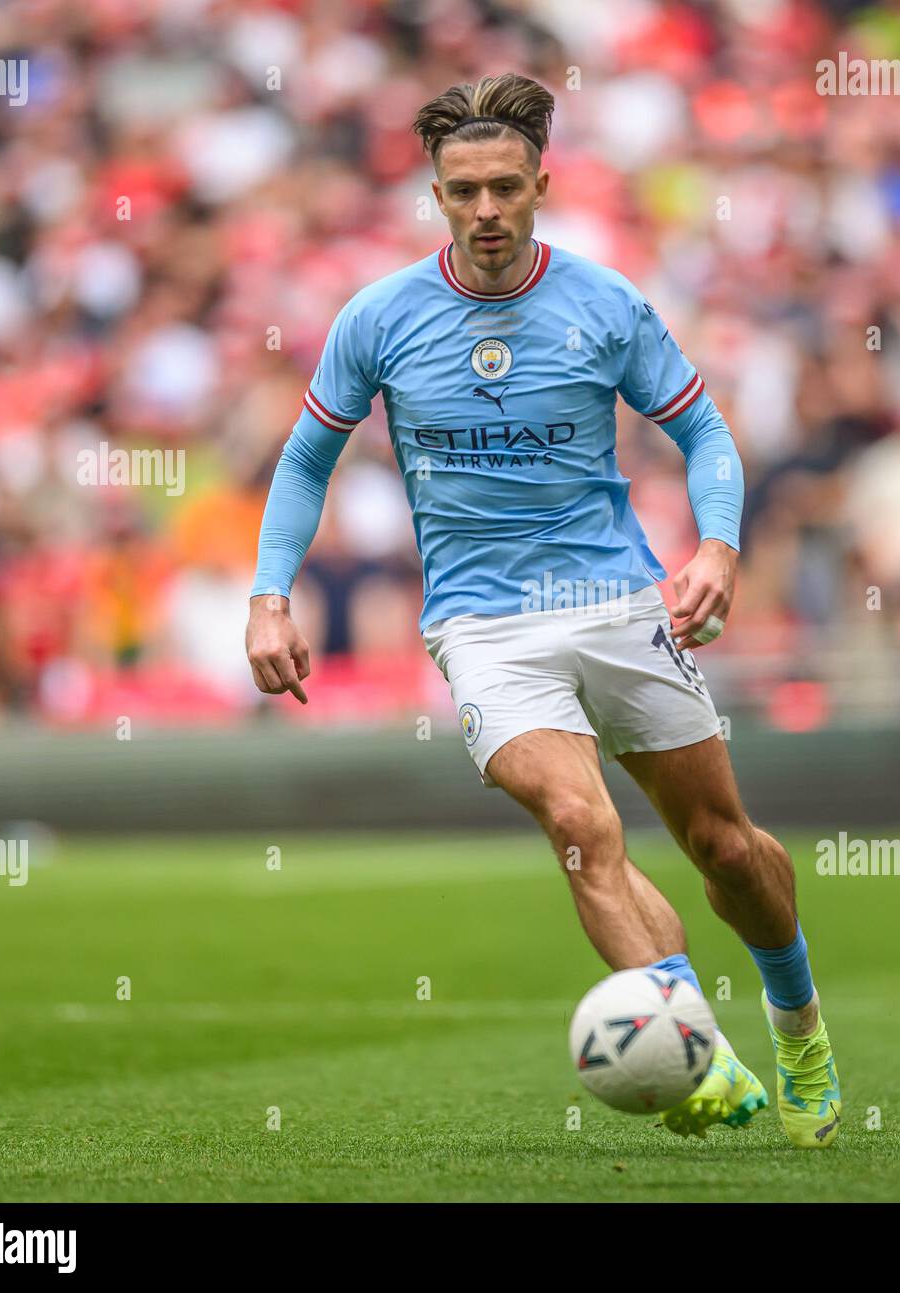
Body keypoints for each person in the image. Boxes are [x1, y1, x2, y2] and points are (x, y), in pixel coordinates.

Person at [245, 73, 840, 1147]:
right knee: (579, 825)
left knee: (724, 849)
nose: (484, 210)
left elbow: (705, 437)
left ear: (540, 187)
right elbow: (303, 462)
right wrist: (268, 597)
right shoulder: (377, 318)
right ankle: (696, 1052)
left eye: (504, 189)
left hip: (615, 600)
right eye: (462, 191)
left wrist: (716, 546)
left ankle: (798, 1026)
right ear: (436, 195)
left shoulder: (606, 305)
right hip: (481, 625)